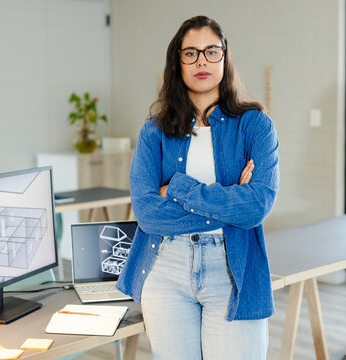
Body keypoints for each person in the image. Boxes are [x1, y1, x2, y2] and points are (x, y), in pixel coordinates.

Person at [116, 15, 279, 359]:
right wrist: (228, 202)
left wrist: (176, 189)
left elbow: (256, 206)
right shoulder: (154, 131)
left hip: (231, 268)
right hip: (165, 269)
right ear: (177, 62)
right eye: (190, 53)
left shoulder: (256, 125)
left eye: (211, 51)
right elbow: (146, 213)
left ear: (225, 56)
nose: (201, 60)